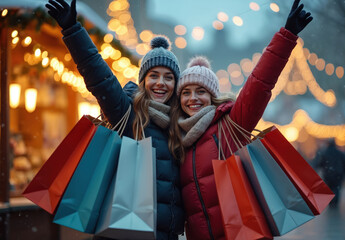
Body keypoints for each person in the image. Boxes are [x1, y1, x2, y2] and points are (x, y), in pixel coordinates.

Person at [170, 0, 313, 239]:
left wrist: (286, 36)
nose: (193, 98)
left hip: (243, 234)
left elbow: (259, 85)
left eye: (201, 91)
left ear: (212, 96)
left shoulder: (232, 123)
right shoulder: (176, 138)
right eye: (186, 92)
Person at [45, 0, 185, 239]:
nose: (161, 83)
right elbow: (99, 76)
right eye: (154, 76)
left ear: (176, 84)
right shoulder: (128, 112)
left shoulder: (181, 126)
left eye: (168, 77)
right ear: (143, 81)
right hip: (123, 231)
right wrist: (73, 30)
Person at [316, 139, 345, 208]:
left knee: (329, 188)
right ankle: (335, 202)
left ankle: (331, 202)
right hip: (338, 173)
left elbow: (320, 163)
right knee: (337, 188)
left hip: (328, 174)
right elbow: (344, 161)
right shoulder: (339, 152)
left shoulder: (325, 152)